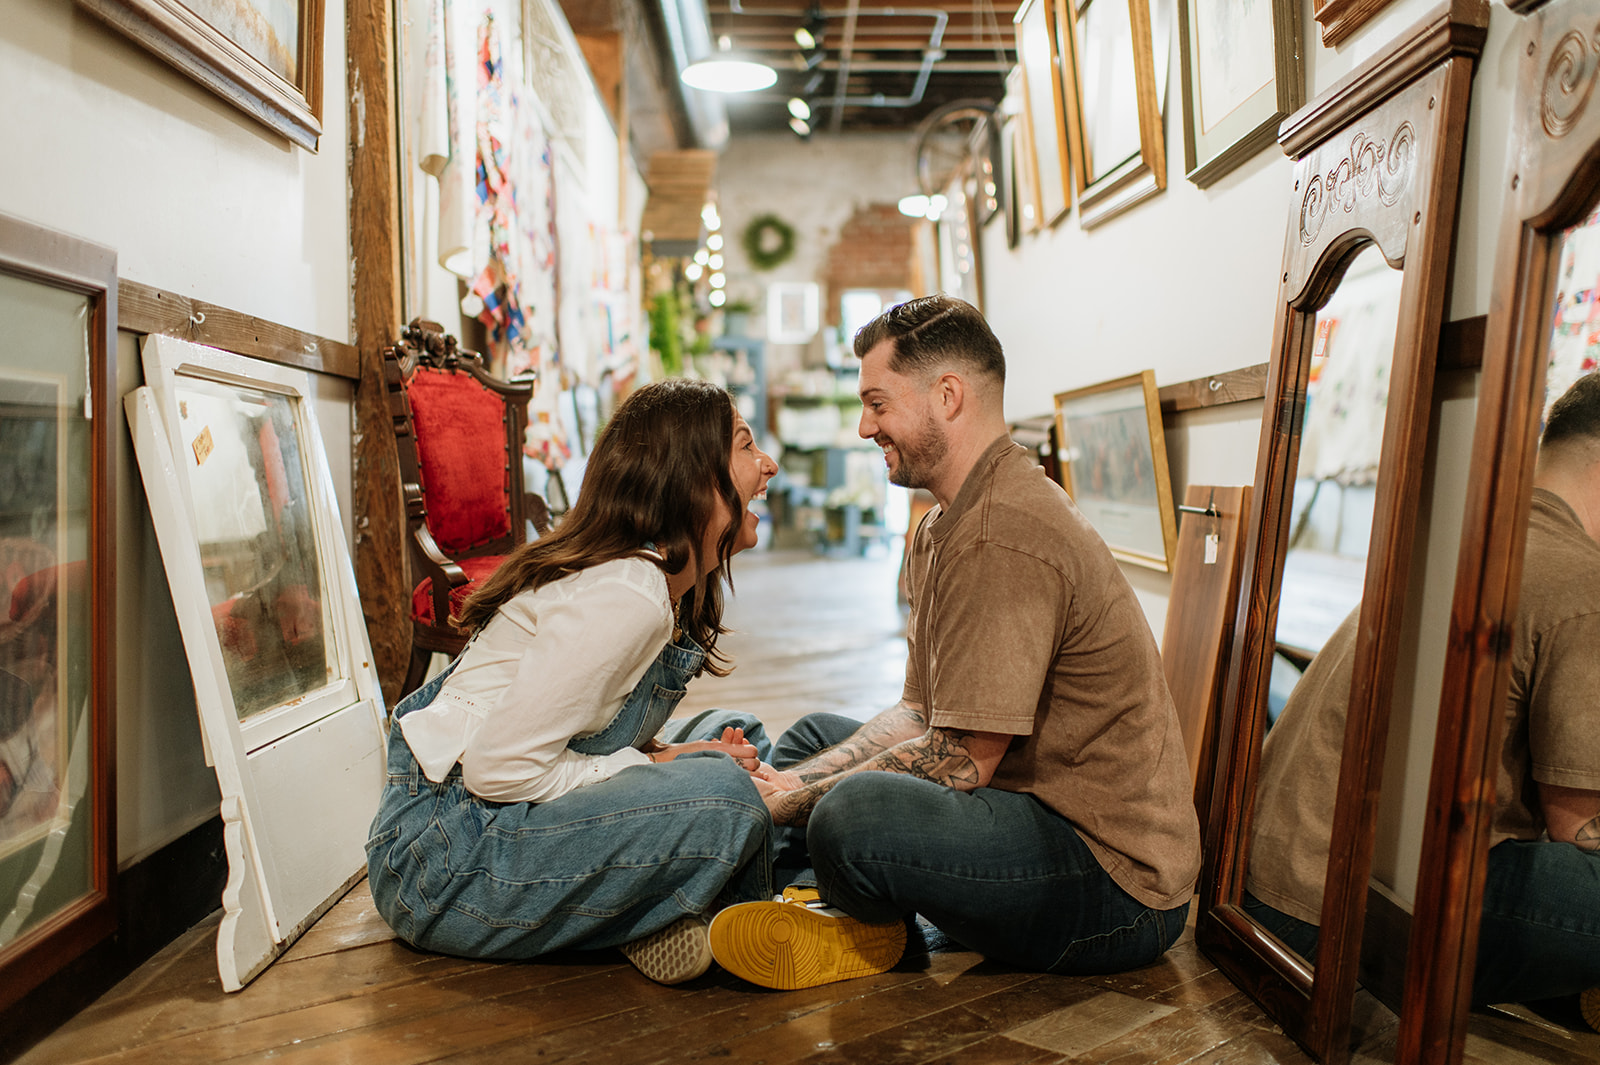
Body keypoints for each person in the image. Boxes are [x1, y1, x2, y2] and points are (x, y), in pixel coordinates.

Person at [706, 294, 1202, 990]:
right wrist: (794, 780)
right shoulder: (945, 523)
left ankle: (830, 916)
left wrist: (793, 799)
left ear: (947, 396)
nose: (862, 426)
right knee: (810, 737)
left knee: (849, 813)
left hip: (1116, 883)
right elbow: (919, 713)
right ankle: (803, 906)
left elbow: (964, 760)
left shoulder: (1006, 530)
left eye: (878, 403)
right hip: (1026, 804)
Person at [365, 378, 783, 986]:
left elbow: (574, 739)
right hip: (445, 861)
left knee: (736, 740)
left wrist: (669, 756)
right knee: (726, 796)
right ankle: (680, 909)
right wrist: (663, 770)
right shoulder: (628, 595)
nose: (766, 464)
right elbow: (498, 771)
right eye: (746, 447)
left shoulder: (650, 583)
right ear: (693, 483)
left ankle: (648, 904)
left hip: (491, 818)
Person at [1245, 370, 1600, 1024]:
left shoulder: (1468, 536)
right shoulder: (1582, 581)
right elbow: (1577, 833)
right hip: (1341, 924)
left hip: (1265, 896)